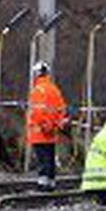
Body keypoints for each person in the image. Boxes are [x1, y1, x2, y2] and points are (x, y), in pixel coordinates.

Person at [27, 61, 68, 191]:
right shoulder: (54, 90)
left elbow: (37, 112)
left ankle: (43, 184)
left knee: (42, 158)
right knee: (49, 157)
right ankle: (51, 182)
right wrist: (57, 124)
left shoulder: (37, 90)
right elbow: (62, 109)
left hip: (40, 132)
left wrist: (46, 125)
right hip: (52, 132)